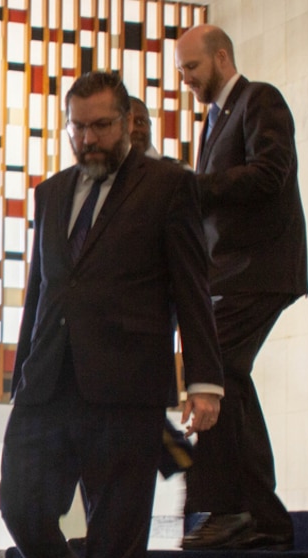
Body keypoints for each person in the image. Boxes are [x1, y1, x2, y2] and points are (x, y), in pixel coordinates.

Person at [0, 70, 224, 558]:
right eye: (79, 126)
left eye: (102, 124)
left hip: (126, 390)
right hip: (46, 386)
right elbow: (42, 293)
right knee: (22, 509)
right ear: (66, 126)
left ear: (127, 122)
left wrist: (203, 381)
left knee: (117, 541)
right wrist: (21, 374)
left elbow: (191, 285)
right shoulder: (51, 193)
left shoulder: (168, 186)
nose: (90, 137)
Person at [174, 24, 308, 551]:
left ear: (222, 57)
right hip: (230, 273)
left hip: (261, 268)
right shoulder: (214, 119)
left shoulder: (259, 100)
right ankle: (261, 515)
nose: (185, 79)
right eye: (181, 70)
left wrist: (194, 186)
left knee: (215, 372)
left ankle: (233, 509)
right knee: (228, 378)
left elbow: (270, 173)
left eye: (191, 67)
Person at [128, 96, 197, 479]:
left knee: (141, 401)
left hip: (160, 304)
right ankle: (179, 455)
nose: (138, 128)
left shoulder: (175, 175)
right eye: (130, 120)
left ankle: (181, 457)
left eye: (143, 120)